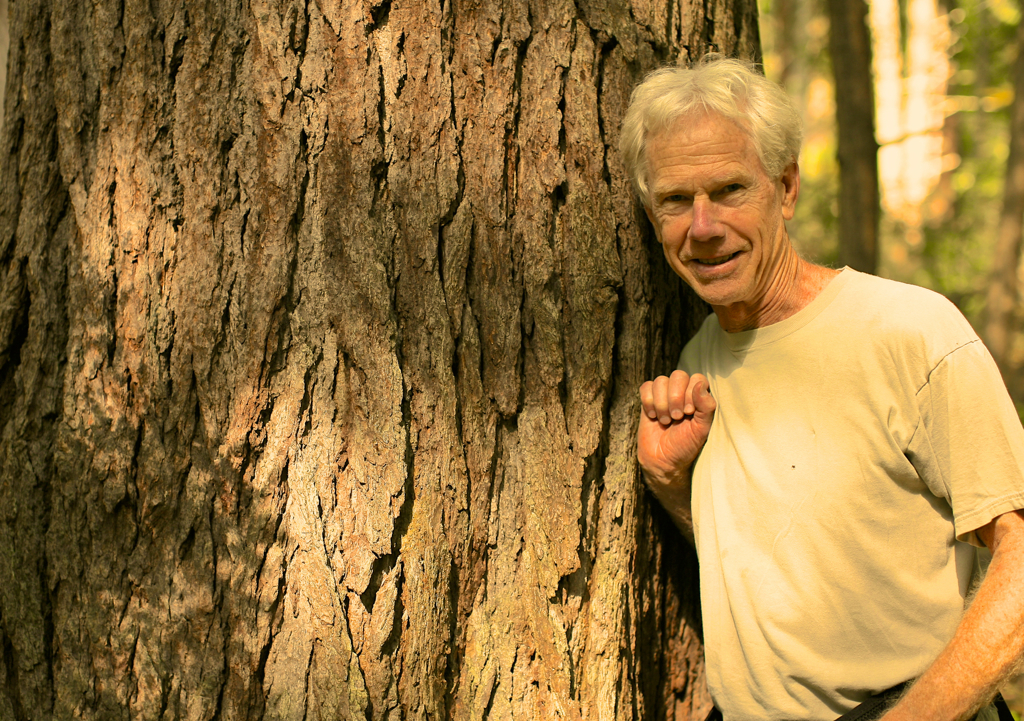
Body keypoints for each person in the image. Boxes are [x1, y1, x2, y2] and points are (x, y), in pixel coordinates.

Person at [621, 55, 1024, 721]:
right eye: (674, 200)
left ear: (785, 187)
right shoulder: (696, 362)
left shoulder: (909, 331)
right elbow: (780, 567)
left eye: (729, 190)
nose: (703, 226)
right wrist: (673, 486)